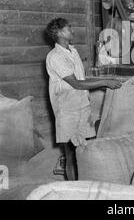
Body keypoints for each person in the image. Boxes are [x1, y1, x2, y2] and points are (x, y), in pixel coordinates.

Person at [45, 18, 122, 180]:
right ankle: (74, 189)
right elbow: (76, 83)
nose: (72, 31)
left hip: (82, 106)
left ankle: (87, 184)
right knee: (71, 153)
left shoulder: (73, 51)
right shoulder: (55, 57)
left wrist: (100, 84)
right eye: (68, 28)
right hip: (67, 110)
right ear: (59, 33)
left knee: (87, 150)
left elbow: (81, 78)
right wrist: (105, 82)